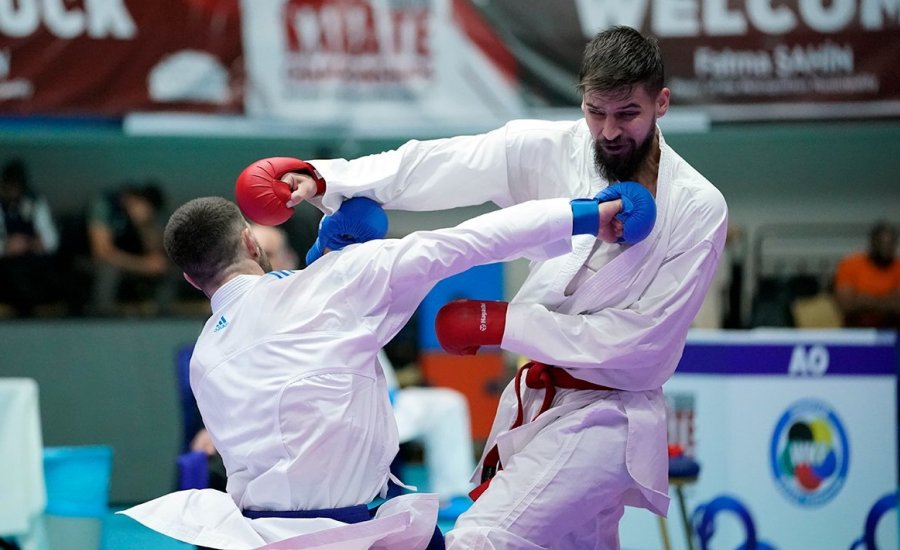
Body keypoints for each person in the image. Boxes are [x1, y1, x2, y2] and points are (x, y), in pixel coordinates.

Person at [251, 25, 728, 549]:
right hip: (541, 401)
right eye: (596, 111)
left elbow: (641, 345)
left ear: (661, 102)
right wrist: (327, 178)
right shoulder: (552, 149)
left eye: (627, 114)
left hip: (609, 415)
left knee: (480, 539)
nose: (609, 130)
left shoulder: (698, 208)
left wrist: (502, 323)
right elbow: (437, 163)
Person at [120, 185, 646, 550]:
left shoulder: (204, 359)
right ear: (252, 242)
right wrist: (585, 215)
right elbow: (466, 241)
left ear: (191, 281)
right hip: (353, 532)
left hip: (254, 537)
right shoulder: (332, 287)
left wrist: (326, 262)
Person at [86, 181, 176, 316]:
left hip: (129, 258)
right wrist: (143, 265)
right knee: (108, 271)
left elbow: (155, 252)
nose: (147, 212)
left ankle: (164, 318)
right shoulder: (105, 204)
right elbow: (102, 253)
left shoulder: (149, 215)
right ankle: (102, 319)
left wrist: (144, 225)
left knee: (165, 269)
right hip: (92, 259)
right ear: (134, 199)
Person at [0, 158, 60, 317]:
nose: (13, 191)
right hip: (5, 262)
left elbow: (51, 240)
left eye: (17, 187)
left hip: (31, 259)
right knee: (17, 279)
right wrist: (6, 247)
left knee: (51, 277)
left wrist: (35, 243)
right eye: (10, 186)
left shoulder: (35, 201)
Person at [833, 221, 900, 329]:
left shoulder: (898, 267)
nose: (886, 248)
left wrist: (863, 299)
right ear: (873, 243)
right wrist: (887, 300)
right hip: (857, 332)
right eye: (882, 243)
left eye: (890, 244)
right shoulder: (850, 265)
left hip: (893, 331)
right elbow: (846, 305)